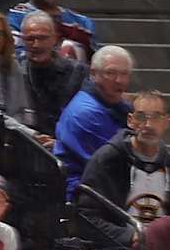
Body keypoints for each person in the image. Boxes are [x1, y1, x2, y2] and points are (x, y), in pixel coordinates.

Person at [76, 88, 170, 250]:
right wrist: (129, 236)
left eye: (156, 117)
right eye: (141, 117)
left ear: (166, 122)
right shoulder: (107, 160)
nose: (148, 125)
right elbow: (85, 217)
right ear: (130, 120)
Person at [53, 44, 132, 197]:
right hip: (86, 196)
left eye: (124, 73)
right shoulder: (86, 113)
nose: (119, 80)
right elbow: (113, 165)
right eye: (111, 73)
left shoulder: (118, 104)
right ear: (93, 74)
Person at [18, 9, 83, 142]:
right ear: (22, 40)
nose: (36, 45)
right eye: (30, 39)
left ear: (55, 39)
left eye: (42, 38)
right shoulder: (14, 71)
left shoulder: (77, 72)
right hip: (26, 144)